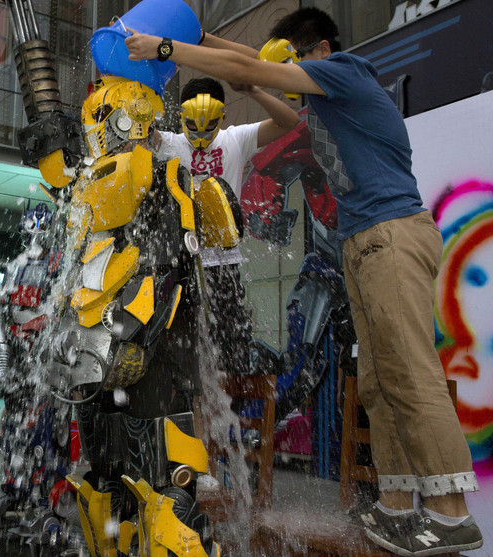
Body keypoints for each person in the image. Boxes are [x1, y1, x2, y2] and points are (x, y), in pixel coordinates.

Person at [126, 8, 483, 555]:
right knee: (379, 380)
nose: (284, 73)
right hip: (363, 244)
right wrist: (198, 37)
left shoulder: (343, 70)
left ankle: (452, 513)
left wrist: (166, 51)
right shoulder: (327, 107)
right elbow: (252, 69)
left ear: (312, 51)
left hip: (390, 235)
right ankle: (395, 504)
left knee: (410, 370)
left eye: (289, 60)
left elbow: (260, 71)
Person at [155, 76, 299, 374]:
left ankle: (230, 408)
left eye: (209, 124)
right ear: (182, 115)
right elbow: (134, 133)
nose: (201, 133)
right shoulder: (169, 143)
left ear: (222, 115)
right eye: (193, 123)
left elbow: (289, 121)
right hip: (181, 259)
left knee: (230, 347)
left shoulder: (235, 138)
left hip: (224, 260)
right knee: (180, 349)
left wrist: (254, 87)